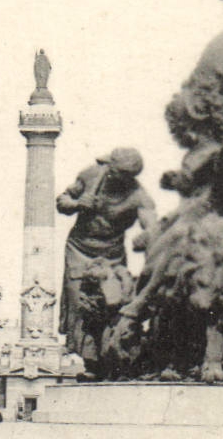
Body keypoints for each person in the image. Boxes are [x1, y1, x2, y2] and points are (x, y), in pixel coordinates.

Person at [57, 148, 156, 368]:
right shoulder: (91, 175)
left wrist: (148, 236)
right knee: (80, 305)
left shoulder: (138, 196)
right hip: (79, 249)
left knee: (111, 304)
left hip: (112, 255)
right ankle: (91, 364)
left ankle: (108, 359)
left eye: (117, 173)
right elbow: (62, 200)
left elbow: (151, 226)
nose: (110, 175)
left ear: (128, 177)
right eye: (110, 169)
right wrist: (76, 204)